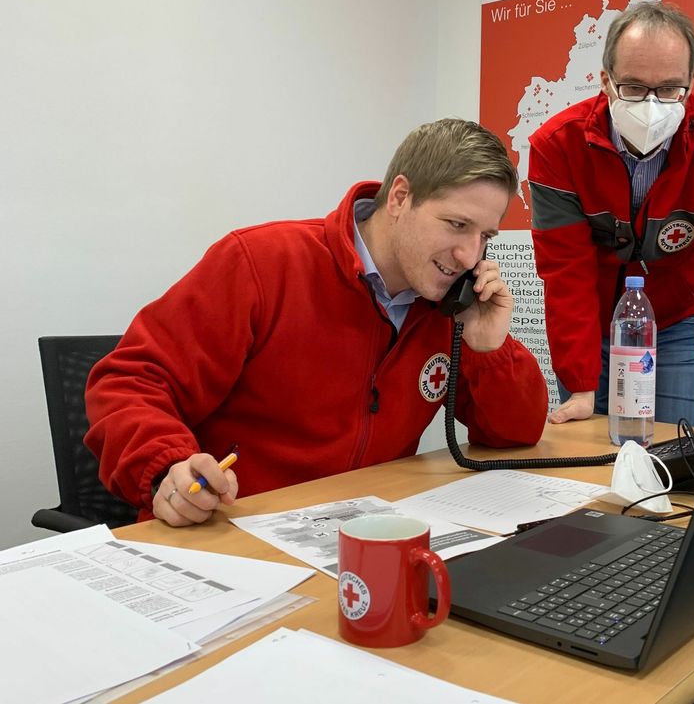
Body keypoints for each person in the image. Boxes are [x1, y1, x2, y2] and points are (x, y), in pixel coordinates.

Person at [85, 118, 548, 526]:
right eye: (456, 225)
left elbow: (518, 433)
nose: (470, 255)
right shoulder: (261, 263)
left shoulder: (447, 302)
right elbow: (128, 382)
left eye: (485, 235)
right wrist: (167, 466)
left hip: (360, 533)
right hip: (235, 529)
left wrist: (489, 346)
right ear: (401, 198)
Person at [528, 2, 694, 428]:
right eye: (634, 88)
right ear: (605, 80)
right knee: (588, 454)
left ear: (692, 81)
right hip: (593, 320)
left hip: (677, 319)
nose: (652, 104)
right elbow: (566, 270)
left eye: (670, 88)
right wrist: (580, 383)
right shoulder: (557, 146)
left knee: (669, 453)